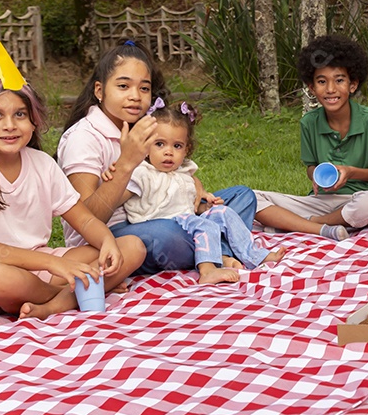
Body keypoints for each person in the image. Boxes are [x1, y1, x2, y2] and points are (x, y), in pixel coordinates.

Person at [0, 29, 145, 319]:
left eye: (20, 114)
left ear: (33, 118)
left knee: (131, 247)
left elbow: (83, 218)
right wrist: (55, 265)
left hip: (41, 265)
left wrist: (105, 239)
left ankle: (58, 301)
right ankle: (75, 293)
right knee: (0, 279)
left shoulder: (41, 163)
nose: (10, 125)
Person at [56, 41, 257, 274]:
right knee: (166, 236)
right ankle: (219, 250)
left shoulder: (142, 125)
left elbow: (168, 173)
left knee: (242, 196)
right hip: (114, 235)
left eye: (144, 88)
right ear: (99, 91)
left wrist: (196, 189)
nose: (135, 96)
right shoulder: (83, 137)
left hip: (160, 213)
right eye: (123, 86)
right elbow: (86, 219)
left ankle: (213, 250)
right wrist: (127, 163)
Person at [121, 99, 285, 284]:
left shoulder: (184, 172)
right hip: (163, 228)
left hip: (187, 221)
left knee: (225, 211)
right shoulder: (143, 173)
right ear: (146, 146)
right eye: (160, 144)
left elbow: (190, 206)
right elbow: (121, 195)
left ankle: (254, 256)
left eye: (177, 146)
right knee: (205, 227)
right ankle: (208, 269)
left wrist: (206, 205)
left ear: (186, 150)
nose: (168, 152)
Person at [251, 35, 368, 240]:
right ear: (311, 87)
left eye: (339, 80)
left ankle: (309, 224)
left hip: (360, 198)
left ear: (352, 85)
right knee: (252, 197)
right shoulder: (309, 122)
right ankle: (325, 225)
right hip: (322, 200)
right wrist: (315, 173)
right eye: (321, 81)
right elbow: (311, 167)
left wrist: (351, 172)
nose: (330, 89)